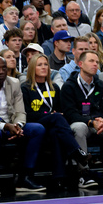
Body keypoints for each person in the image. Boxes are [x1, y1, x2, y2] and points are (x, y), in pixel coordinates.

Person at [59, 49, 103, 188]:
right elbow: (70, 113)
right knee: (78, 127)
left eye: (97, 62)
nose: (95, 64)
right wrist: (91, 122)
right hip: (83, 124)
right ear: (80, 64)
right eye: (91, 61)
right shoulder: (69, 86)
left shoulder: (100, 85)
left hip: (100, 124)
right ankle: (83, 173)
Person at [0, 56, 48, 193]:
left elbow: (21, 112)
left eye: (4, 68)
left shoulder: (14, 83)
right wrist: (4, 126)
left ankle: (25, 177)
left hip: (13, 125)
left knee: (37, 129)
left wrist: (18, 126)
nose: (1, 71)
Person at [20, 55, 91, 187]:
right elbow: (27, 114)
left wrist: (54, 115)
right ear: (32, 68)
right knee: (57, 118)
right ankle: (77, 151)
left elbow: (60, 110)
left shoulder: (54, 88)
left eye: (45, 65)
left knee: (56, 132)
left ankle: (59, 178)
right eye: (39, 65)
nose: (43, 68)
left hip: (53, 125)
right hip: (35, 124)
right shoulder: (25, 88)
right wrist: (49, 115)